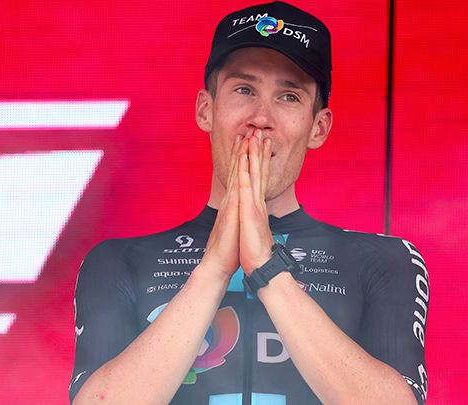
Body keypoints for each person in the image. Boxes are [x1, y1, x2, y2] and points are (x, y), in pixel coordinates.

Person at [70, 2, 428, 404]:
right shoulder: (119, 260)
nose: (261, 117)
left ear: (318, 127)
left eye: (289, 96)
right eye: (244, 90)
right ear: (206, 109)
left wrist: (266, 268)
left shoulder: (384, 260)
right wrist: (213, 270)